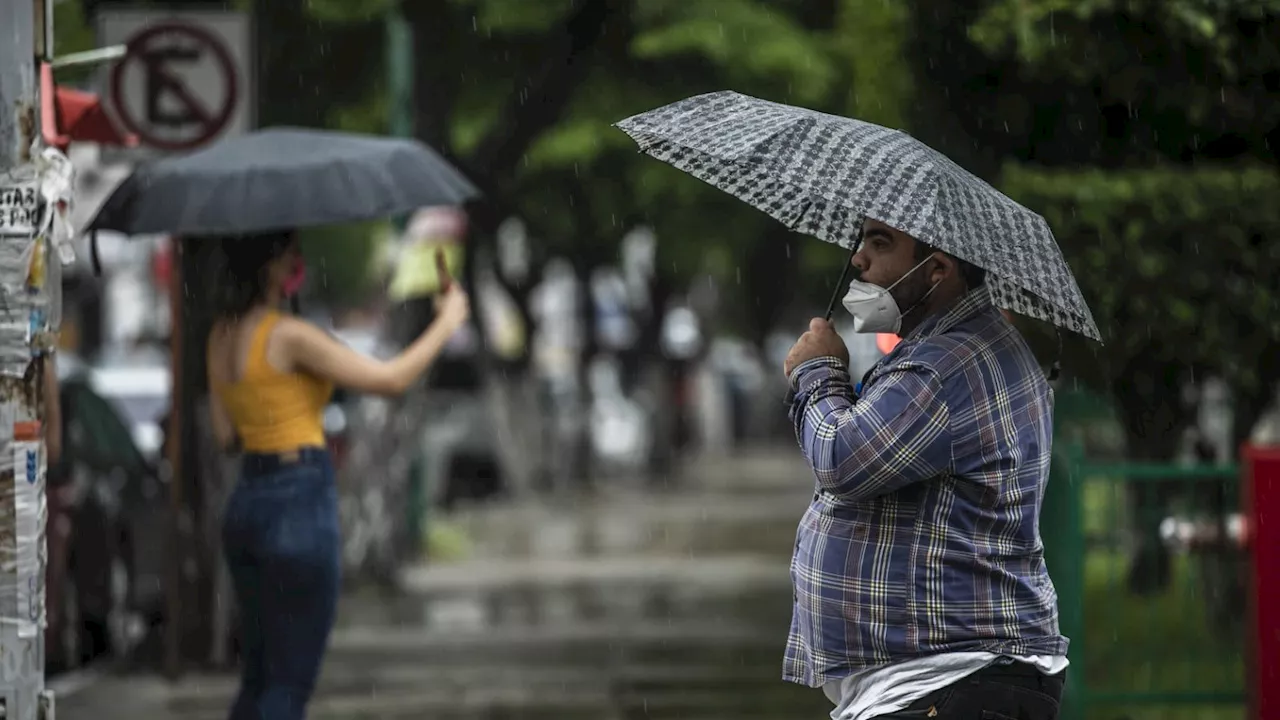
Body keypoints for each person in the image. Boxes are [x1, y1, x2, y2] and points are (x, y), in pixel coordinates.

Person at [782, 218, 1069, 720]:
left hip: (946, 682)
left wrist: (818, 371)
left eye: (880, 243)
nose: (858, 259)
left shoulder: (946, 364)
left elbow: (841, 459)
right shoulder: (958, 346)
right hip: (946, 681)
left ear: (937, 269)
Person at [205, 232, 469, 720]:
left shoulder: (219, 335)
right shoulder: (290, 335)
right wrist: (447, 322)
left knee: (259, 677)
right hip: (298, 500)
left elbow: (227, 437)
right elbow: (390, 380)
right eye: (290, 256)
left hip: (248, 502)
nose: (298, 264)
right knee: (289, 683)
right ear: (270, 268)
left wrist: (269, 403)